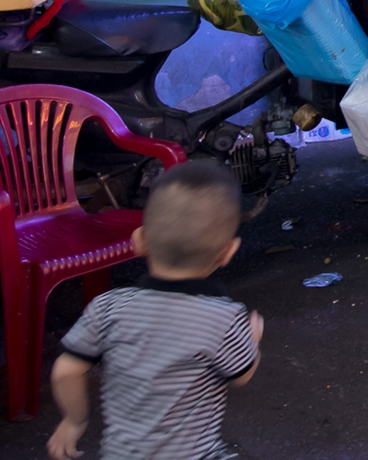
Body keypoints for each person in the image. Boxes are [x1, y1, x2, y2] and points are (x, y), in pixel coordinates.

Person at [48, 160, 262, 460]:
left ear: (139, 241)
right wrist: (251, 341)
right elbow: (241, 374)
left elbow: (65, 371)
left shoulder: (107, 307)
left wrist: (74, 421)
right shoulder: (224, 319)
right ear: (227, 253)